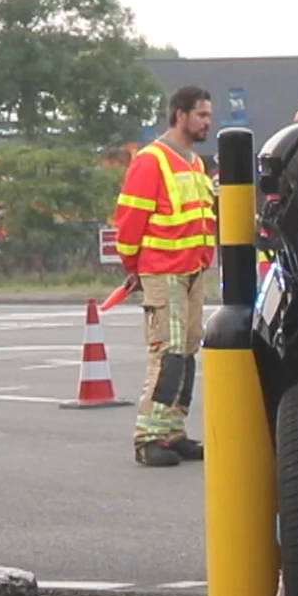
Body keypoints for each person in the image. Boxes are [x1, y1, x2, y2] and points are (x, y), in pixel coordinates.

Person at [113, 86, 219, 467]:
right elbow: (128, 221)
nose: (208, 122)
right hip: (163, 271)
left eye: (209, 115)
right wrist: (134, 268)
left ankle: (173, 432)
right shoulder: (151, 160)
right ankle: (149, 437)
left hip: (191, 272)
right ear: (180, 115)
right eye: (202, 115)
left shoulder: (193, 163)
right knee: (168, 353)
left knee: (187, 353)